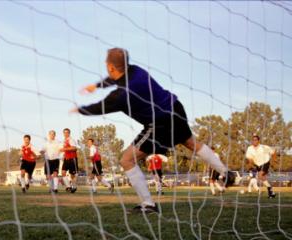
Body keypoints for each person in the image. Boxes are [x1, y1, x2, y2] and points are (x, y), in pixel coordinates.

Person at [72, 48, 234, 213]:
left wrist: (79, 110)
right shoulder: (136, 70)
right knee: (192, 143)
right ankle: (226, 172)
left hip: (159, 123)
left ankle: (148, 204)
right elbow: (116, 79)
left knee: (127, 160)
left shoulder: (121, 95)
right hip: (175, 108)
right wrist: (97, 86)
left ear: (110, 67)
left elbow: (100, 107)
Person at [60, 128, 78, 193]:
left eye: (67, 132)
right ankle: (68, 187)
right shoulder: (64, 140)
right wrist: (63, 155)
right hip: (66, 159)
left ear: (69, 133)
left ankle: (74, 187)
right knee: (63, 172)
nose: (66, 134)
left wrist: (64, 149)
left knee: (72, 175)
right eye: (64, 132)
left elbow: (74, 148)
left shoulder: (71, 140)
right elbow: (65, 150)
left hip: (72, 159)